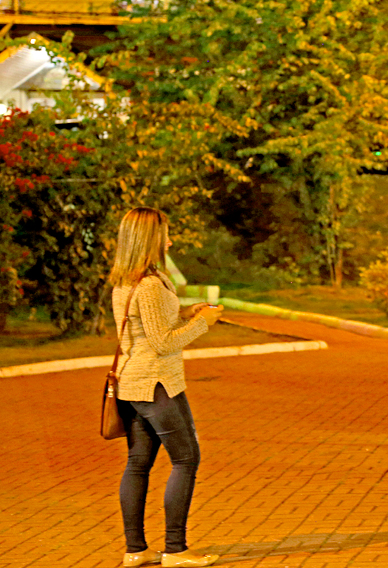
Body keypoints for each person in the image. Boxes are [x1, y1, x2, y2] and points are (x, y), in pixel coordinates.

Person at [109, 207, 225, 568]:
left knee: (137, 463)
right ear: (149, 238)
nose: (170, 239)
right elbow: (162, 342)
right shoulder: (150, 285)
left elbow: (147, 326)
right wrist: (203, 323)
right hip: (158, 383)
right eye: (165, 233)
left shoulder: (126, 280)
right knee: (186, 458)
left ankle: (136, 550)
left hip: (131, 383)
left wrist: (187, 310)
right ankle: (176, 550)